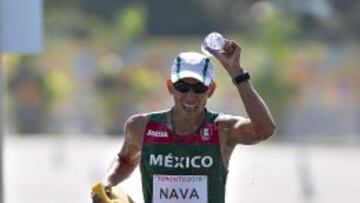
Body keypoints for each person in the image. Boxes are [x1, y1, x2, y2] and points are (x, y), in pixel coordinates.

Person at [92, 39, 276, 203]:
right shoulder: (141, 127)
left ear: (210, 90)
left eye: (199, 88)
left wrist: (238, 74)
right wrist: (108, 182)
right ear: (170, 87)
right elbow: (125, 160)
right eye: (182, 87)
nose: (190, 96)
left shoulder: (222, 129)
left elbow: (264, 130)